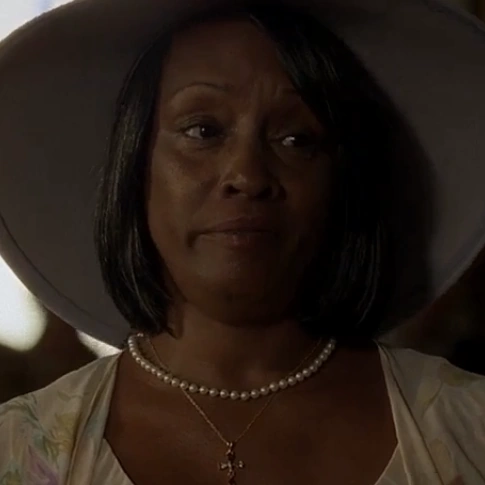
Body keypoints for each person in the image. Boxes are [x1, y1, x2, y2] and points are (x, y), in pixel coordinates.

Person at [0, 0, 485, 483]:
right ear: (136, 166)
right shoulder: (21, 449)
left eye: (296, 139)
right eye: (203, 130)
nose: (248, 175)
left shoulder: (469, 430)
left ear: (341, 182)